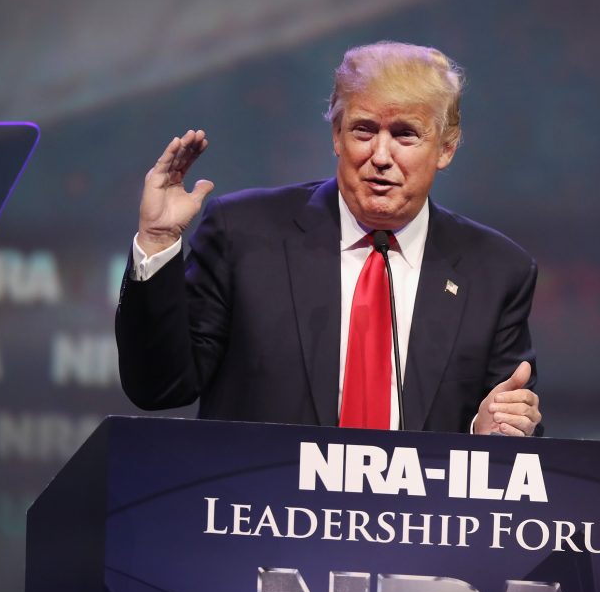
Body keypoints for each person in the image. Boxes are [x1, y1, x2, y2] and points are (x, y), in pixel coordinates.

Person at [115, 41, 541, 436]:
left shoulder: (497, 272)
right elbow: (160, 387)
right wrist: (157, 239)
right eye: (363, 130)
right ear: (337, 136)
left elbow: (516, 432)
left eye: (405, 134)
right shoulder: (244, 236)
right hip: (263, 513)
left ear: (446, 148)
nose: (380, 156)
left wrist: (490, 437)